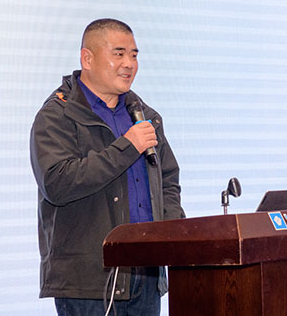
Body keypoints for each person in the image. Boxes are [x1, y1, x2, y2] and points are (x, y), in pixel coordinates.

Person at [30, 19, 185, 315]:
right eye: (119, 54)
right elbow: (57, 183)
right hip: (89, 281)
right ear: (87, 59)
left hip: (147, 273)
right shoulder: (58, 116)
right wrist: (127, 146)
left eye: (134, 55)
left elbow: (167, 180)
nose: (129, 64)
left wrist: (172, 235)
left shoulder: (143, 115)